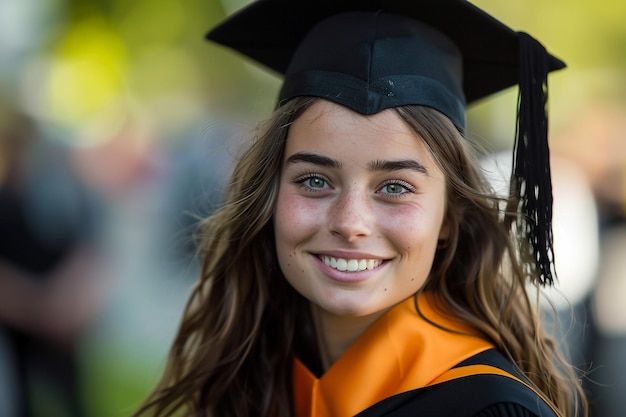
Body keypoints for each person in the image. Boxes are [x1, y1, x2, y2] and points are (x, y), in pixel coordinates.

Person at [133, 0, 587, 416]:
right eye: (314, 180)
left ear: (449, 217)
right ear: (269, 195)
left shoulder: (488, 409)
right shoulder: (252, 378)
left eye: (394, 187)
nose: (350, 223)